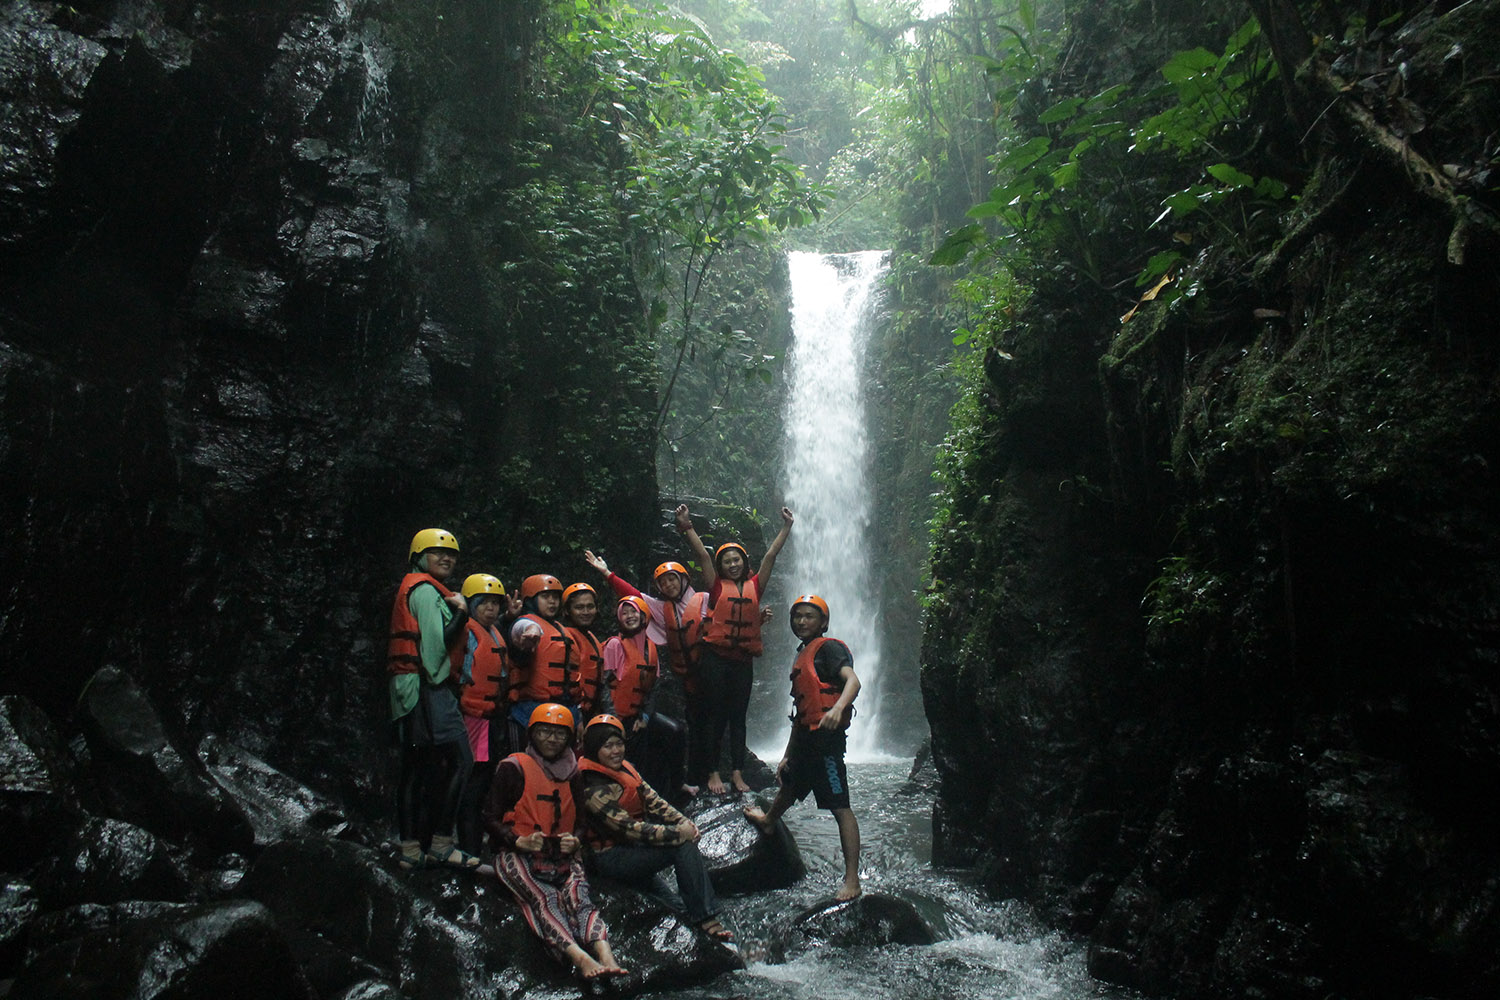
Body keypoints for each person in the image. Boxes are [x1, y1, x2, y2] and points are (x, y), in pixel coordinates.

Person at [485, 703, 626, 980]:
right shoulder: (512, 768)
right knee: (545, 897)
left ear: (570, 739)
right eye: (545, 733)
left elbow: (582, 824)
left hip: (561, 855)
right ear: (532, 735)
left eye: (559, 734)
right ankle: (580, 957)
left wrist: (575, 841)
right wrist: (517, 840)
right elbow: (489, 817)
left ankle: (605, 953)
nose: (552, 739)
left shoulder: (574, 773)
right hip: (515, 854)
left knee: (579, 896)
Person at [744, 594, 862, 901]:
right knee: (790, 783)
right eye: (797, 617)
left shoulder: (830, 649)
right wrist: (786, 754)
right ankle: (769, 821)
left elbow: (853, 681)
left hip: (827, 742)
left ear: (823, 622)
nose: (801, 621)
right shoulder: (802, 654)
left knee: (840, 807)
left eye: (809, 616)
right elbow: (800, 715)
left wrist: (837, 709)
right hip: (806, 740)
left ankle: (852, 880)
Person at [577, 715, 731, 941]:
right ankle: (708, 918)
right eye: (607, 746)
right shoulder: (592, 785)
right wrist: (679, 833)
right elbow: (628, 828)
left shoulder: (625, 769)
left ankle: (704, 933)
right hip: (609, 859)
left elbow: (653, 800)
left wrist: (683, 821)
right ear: (594, 748)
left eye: (619, 744)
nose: (616, 751)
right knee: (681, 845)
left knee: (677, 908)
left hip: (631, 851)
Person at [680, 503, 795, 794]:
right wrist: (687, 526)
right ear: (721, 567)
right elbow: (703, 555)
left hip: (742, 661)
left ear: (745, 562)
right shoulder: (717, 587)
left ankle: (738, 773)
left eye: (737, 560)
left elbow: (770, 556)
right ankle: (713, 773)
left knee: (738, 717)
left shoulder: (756, 586)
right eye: (727, 561)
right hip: (715, 660)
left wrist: (786, 527)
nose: (733, 564)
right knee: (714, 715)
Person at [386, 528, 480, 870]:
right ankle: (440, 843)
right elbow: (434, 651)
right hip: (428, 690)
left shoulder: (418, 586)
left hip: (411, 690)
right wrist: (461, 612)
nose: (446, 558)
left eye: (451, 554)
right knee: (460, 761)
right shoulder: (425, 592)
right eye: (437, 552)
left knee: (417, 770)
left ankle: (412, 848)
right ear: (419, 556)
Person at [453, 573, 519, 857]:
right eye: (485, 604)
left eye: (495, 603)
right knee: (471, 782)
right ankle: (466, 846)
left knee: (482, 781)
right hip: (470, 716)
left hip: (490, 717)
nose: (491, 609)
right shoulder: (465, 630)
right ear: (472, 604)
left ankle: (473, 843)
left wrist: (507, 617)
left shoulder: (494, 631)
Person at [601, 596, 689, 797]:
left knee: (675, 731)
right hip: (615, 716)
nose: (630, 616)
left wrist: (645, 717)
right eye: (625, 613)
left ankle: (677, 785)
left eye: (634, 612)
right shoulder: (615, 645)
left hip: (638, 716)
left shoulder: (651, 647)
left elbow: (653, 689)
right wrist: (613, 722)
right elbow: (604, 686)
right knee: (632, 759)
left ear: (643, 617)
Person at [508, 574, 585, 738]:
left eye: (556, 597)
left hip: (564, 709)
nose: (552, 601)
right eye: (545, 596)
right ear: (531, 600)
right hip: (530, 709)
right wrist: (530, 630)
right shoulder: (524, 623)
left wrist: (577, 717)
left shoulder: (561, 630)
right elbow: (522, 628)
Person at [560, 583, 612, 722]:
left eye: (590, 607)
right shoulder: (563, 638)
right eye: (579, 607)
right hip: (569, 712)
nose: (586, 612)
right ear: (567, 610)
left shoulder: (593, 640)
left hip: (590, 712)